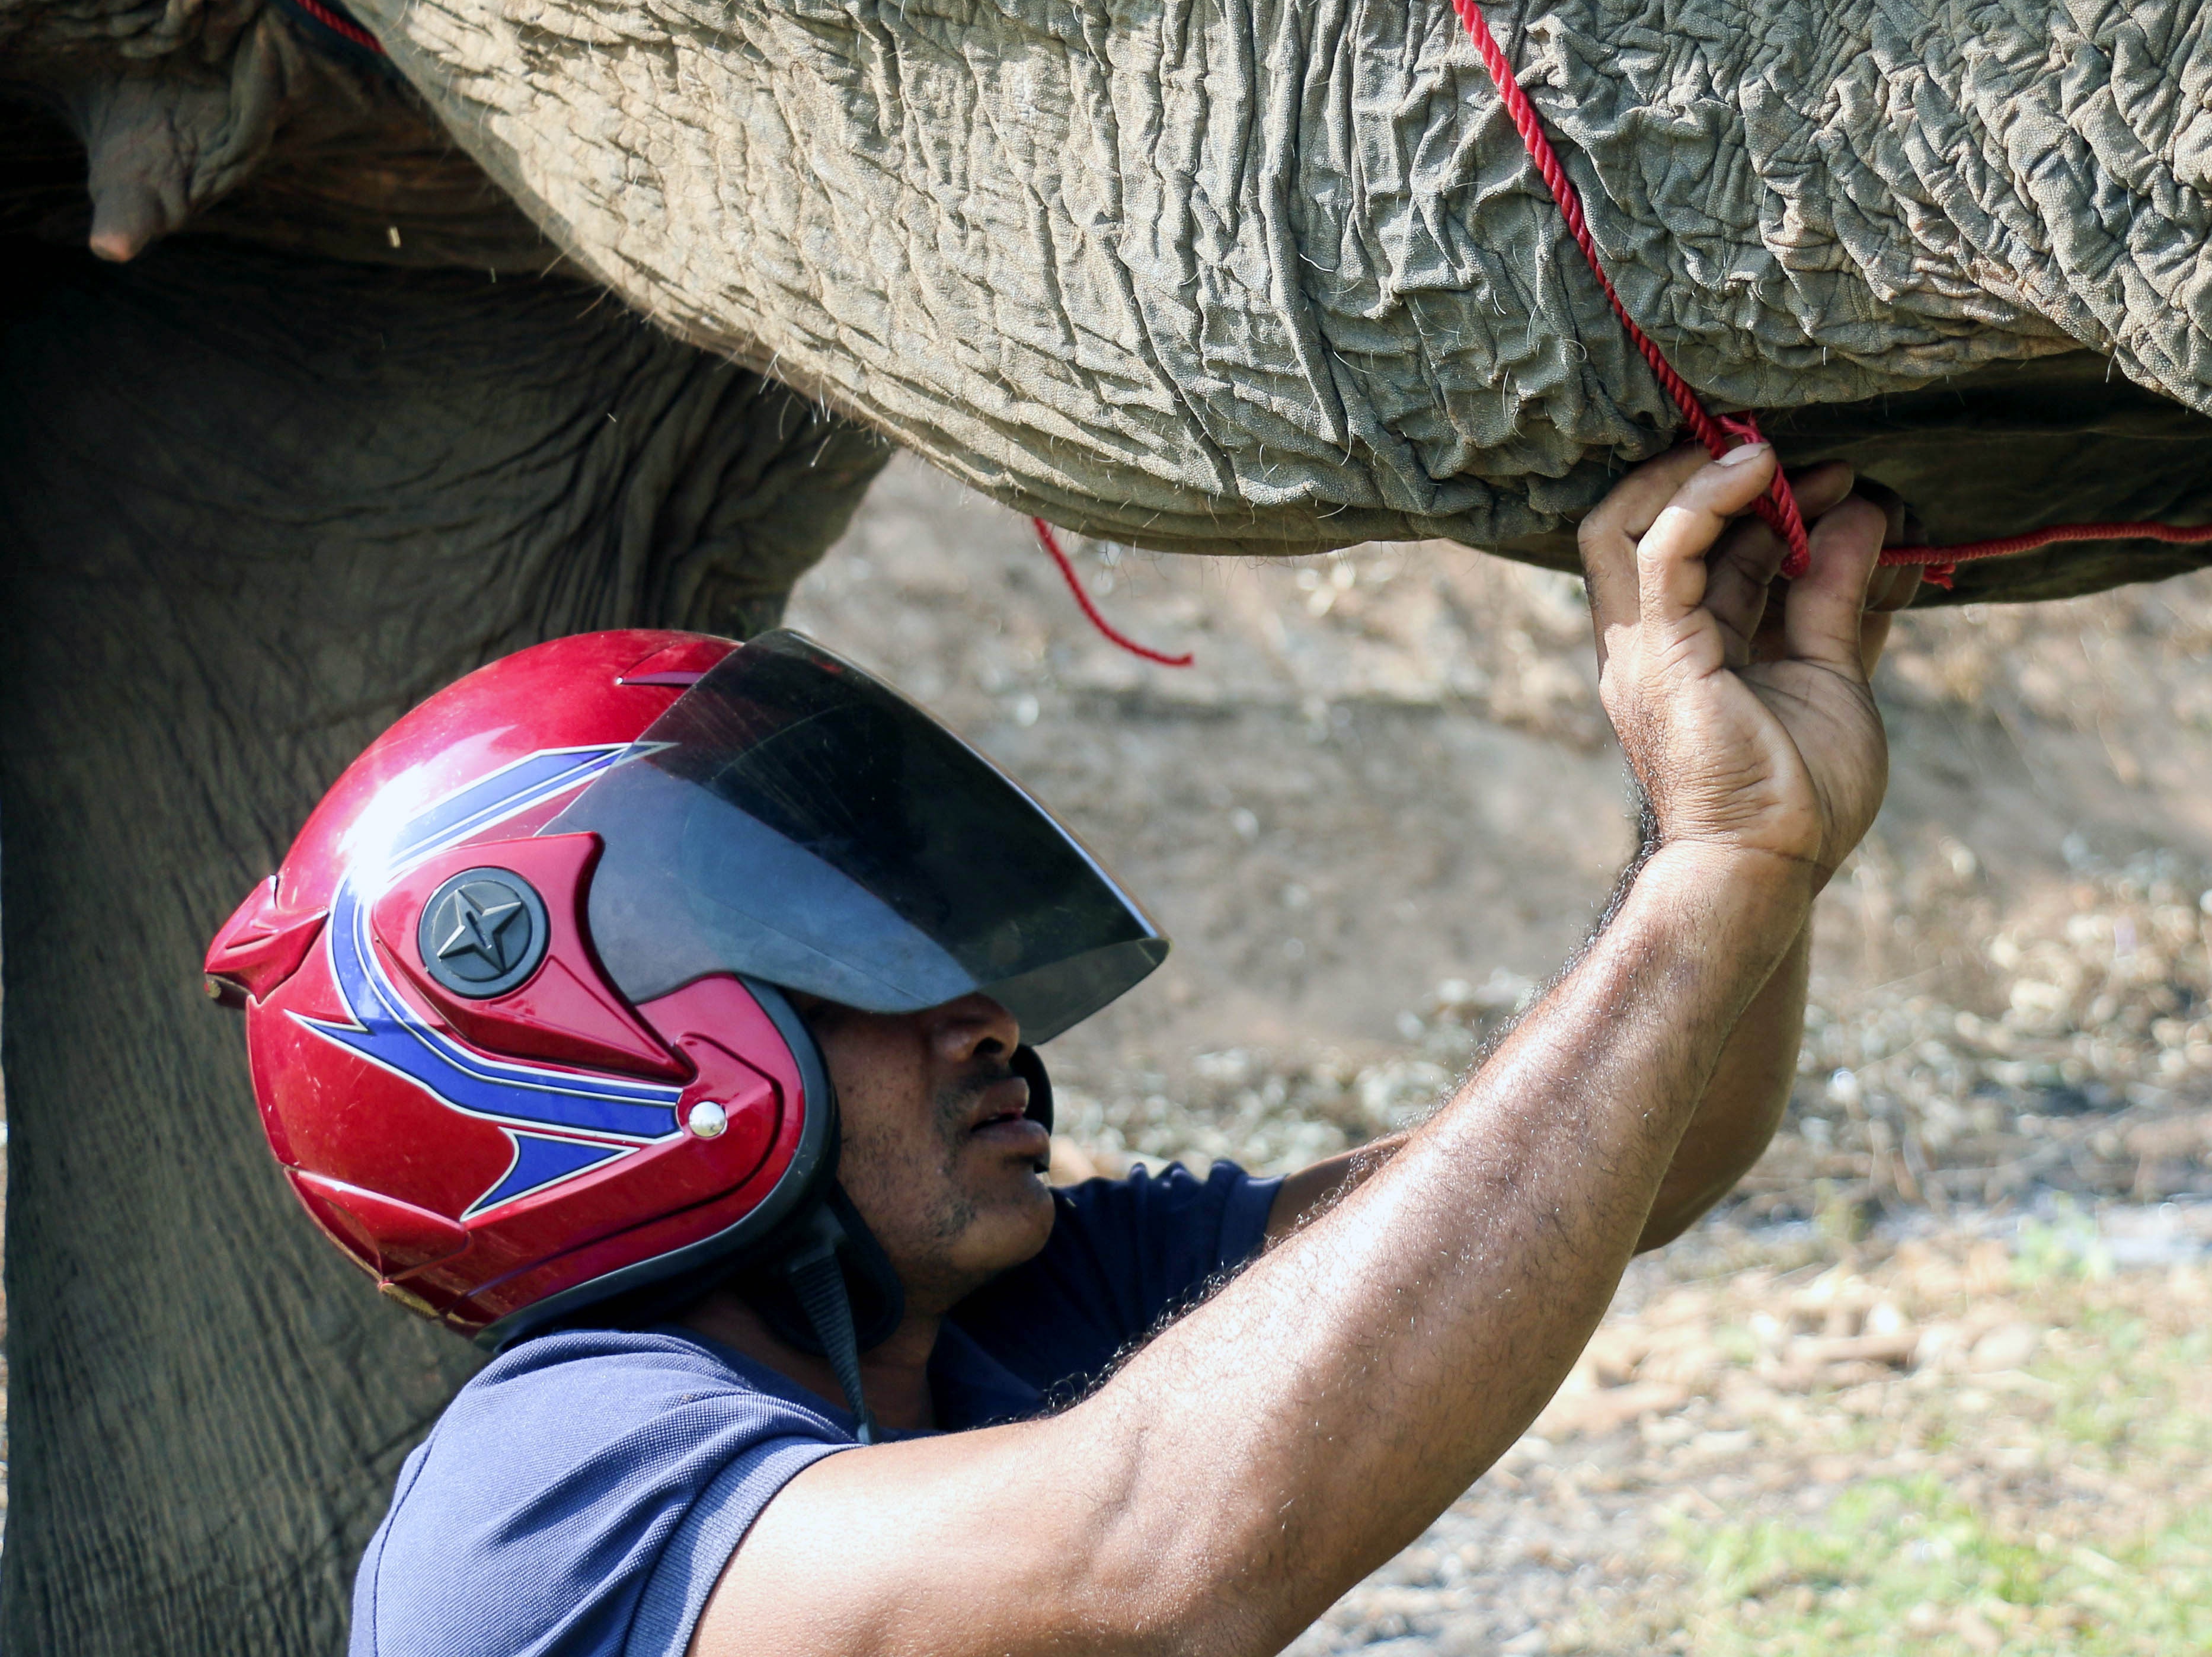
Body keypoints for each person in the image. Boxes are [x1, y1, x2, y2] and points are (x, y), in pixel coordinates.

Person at [206, 442, 1913, 1657]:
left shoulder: (1021, 1314)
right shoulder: (550, 1484)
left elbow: (1644, 1160)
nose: (984, 1016)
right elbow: (1157, 1558)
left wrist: (1754, 855)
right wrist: (1706, 872)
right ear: (584, 1050)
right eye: (847, 966)